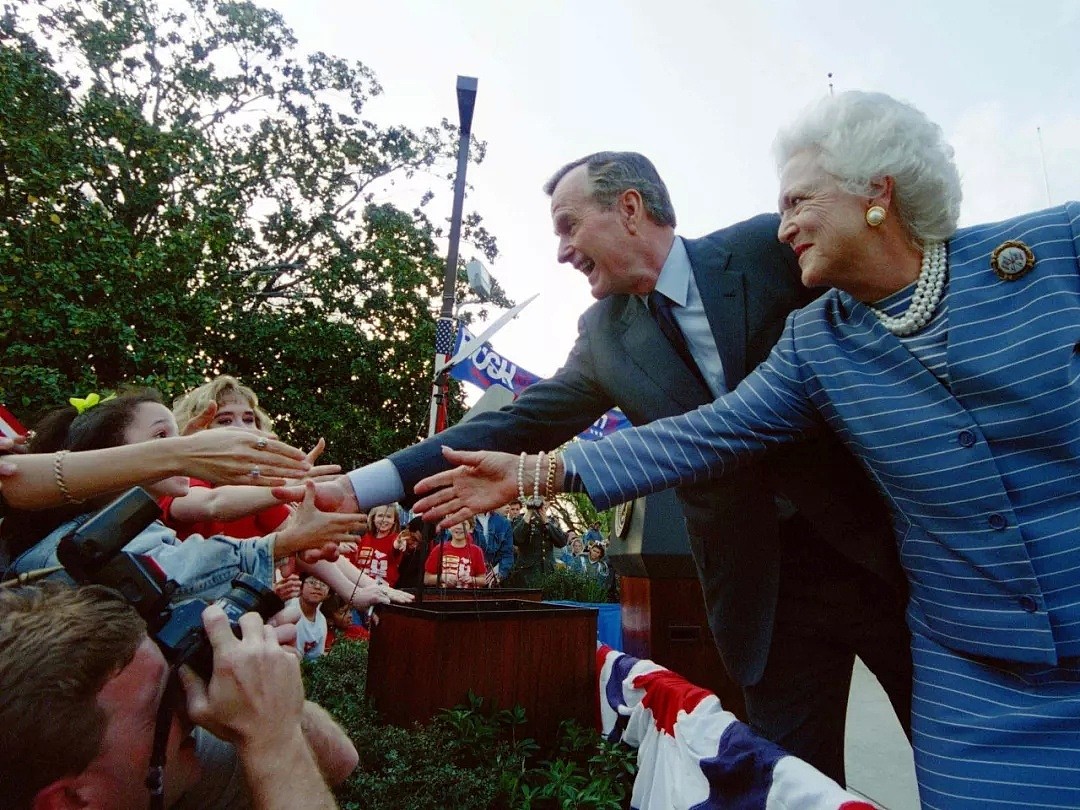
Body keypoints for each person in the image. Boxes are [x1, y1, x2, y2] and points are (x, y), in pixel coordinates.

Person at [413, 91, 1080, 808]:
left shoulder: (1050, 255)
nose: (785, 227)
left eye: (798, 201)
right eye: (782, 207)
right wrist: (538, 471)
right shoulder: (814, 343)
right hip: (924, 661)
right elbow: (713, 432)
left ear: (874, 191)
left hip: (892, 579)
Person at [307, 151, 909, 783]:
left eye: (569, 225)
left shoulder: (767, 248)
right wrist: (357, 487)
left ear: (628, 208)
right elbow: (508, 425)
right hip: (762, 599)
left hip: (884, 562)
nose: (563, 251)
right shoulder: (604, 335)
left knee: (966, 760)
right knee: (795, 785)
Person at [0, 583, 353, 810]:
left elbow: (338, 762)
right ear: (72, 800)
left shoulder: (142, 765)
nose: (188, 705)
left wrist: (270, 708)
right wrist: (274, 740)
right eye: (160, 703)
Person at [3, 391, 366, 605]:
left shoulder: (133, 517)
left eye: (248, 419)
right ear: (107, 454)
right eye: (164, 437)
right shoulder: (99, 535)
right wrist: (284, 541)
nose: (185, 446)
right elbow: (184, 562)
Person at [508, 497, 567, 587]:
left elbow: (562, 542)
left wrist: (546, 521)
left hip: (548, 571)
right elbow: (516, 539)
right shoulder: (521, 519)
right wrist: (529, 512)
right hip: (527, 572)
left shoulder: (552, 521)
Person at [424, 520, 486, 589]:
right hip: (443, 598)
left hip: (468, 597)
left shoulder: (477, 551)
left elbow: (483, 580)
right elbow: (426, 579)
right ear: (449, 527)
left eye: (464, 524)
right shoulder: (439, 549)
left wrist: (472, 579)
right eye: (455, 523)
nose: (459, 527)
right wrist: (442, 577)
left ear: (471, 529)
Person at [290, 573, 331, 660]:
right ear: (301, 587)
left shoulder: (322, 621)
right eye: (312, 582)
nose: (317, 587)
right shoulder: (287, 605)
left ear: (327, 593)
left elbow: (316, 659)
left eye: (323, 584)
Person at [471, 508, 515, 583]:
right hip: (468, 578)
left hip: (492, 579)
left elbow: (507, 554)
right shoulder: (464, 520)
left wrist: (499, 571)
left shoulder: (504, 523)